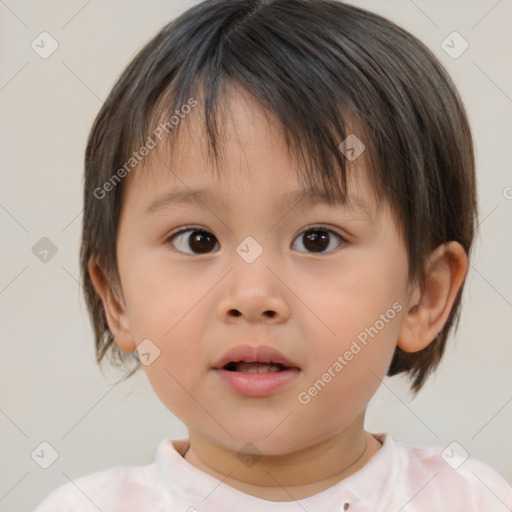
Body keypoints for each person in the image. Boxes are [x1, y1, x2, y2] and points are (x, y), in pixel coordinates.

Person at [34, 0, 512, 510]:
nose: (253, 296)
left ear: (423, 297)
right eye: (198, 240)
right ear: (119, 299)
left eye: (317, 239)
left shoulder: (470, 499)